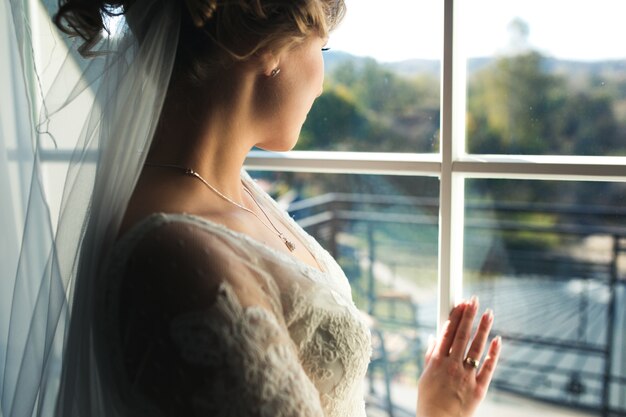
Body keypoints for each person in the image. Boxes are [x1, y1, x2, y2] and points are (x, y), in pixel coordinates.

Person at [3, 0, 500, 416]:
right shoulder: (178, 257)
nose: (324, 81)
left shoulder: (234, 189)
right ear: (271, 48)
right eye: (321, 47)